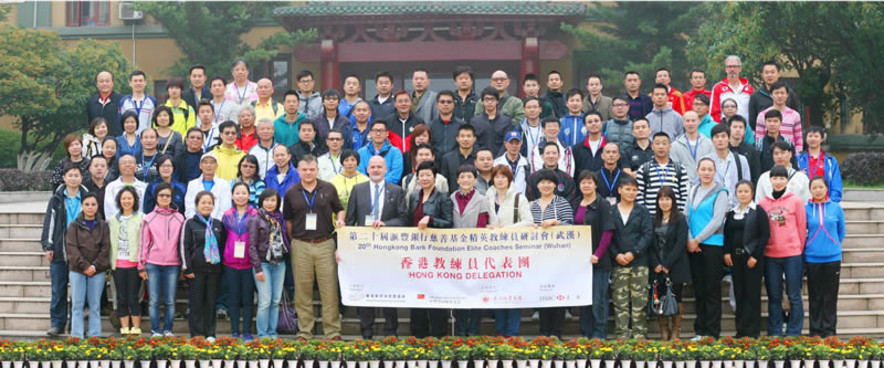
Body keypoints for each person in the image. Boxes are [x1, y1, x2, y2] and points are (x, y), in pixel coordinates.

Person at [345, 156, 410, 339]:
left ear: (385, 169)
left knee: (389, 291)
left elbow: (404, 219)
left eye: (379, 167)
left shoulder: (396, 191)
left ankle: (390, 332)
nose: (375, 170)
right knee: (366, 291)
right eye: (372, 166)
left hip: (388, 252)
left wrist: (386, 224)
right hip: (364, 252)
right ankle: (366, 333)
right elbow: (350, 221)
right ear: (367, 169)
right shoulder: (358, 190)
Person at [283, 154, 346, 340]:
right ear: (298, 171)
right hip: (301, 245)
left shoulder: (328, 188)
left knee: (329, 291)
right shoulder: (291, 192)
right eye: (304, 169)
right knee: (302, 292)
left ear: (317, 170)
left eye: (312, 169)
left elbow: (339, 209)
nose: (308, 173)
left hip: (325, 243)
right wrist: (295, 238)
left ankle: (333, 332)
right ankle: (305, 331)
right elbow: (288, 220)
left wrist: (341, 220)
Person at [758, 166, 807, 337]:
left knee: (794, 295)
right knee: (774, 296)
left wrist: (797, 249)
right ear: (769, 180)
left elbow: (802, 227)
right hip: (771, 255)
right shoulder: (763, 204)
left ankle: (794, 332)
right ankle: (775, 331)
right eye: (775, 178)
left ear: (787, 180)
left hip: (792, 255)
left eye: (781, 178)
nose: (778, 182)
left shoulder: (796, 201)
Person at [485, 164, 533, 336]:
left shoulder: (519, 198)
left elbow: (528, 221)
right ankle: (500, 331)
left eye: (503, 177)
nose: (500, 180)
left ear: (509, 179)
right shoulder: (487, 197)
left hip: (513, 252)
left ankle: (512, 332)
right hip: (493, 252)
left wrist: (505, 230)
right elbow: (483, 220)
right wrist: (488, 227)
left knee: (513, 293)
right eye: (496, 177)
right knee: (497, 292)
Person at [407, 161, 453, 338]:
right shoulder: (413, 196)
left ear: (435, 177)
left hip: (436, 254)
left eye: (428, 175)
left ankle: (438, 336)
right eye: (421, 175)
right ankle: (419, 337)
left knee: (435, 296)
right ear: (417, 178)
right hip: (416, 253)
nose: (424, 178)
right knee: (417, 296)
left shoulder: (443, 197)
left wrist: (431, 219)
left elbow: (449, 223)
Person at [451, 164, 497, 336]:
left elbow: (482, 223)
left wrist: (473, 247)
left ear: (475, 180)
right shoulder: (452, 197)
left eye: (469, 177)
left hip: (476, 252)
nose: (465, 180)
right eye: (462, 177)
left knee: (476, 291)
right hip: (455, 253)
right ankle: (461, 329)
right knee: (460, 291)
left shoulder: (482, 199)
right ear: (457, 180)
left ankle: (474, 330)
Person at [41, 165, 87, 336]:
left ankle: (76, 325)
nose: (73, 178)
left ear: (81, 178)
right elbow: (49, 223)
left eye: (76, 175)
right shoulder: (57, 199)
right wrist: (48, 245)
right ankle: (57, 323)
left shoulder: (87, 197)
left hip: (81, 252)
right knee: (58, 290)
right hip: (60, 250)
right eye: (70, 175)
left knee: (79, 292)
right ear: (64, 178)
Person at [685, 158, 729, 339]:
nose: (706, 172)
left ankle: (712, 332)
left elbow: (717, 220)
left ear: (714, 171)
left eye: (710, 169)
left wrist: (698, 239)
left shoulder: (721, 191)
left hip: (712, 245)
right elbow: (687, 216)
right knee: (699, 289)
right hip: (693, 246)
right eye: (703, 169)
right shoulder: (693, 190)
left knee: (711, 290)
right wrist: (690, 239)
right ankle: (700, 330)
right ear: (697, 171)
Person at [528, 168, 574, 338]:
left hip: (558, 258)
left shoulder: (562, 203)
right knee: (542, 294)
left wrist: (557, 222)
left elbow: (571, 227)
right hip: (537, 259)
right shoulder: (531, 205)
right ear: (537, 185)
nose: (546, 185)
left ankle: (557, 332)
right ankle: (543, 332)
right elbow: (524, 226)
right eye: (542, 182)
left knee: (557, 294)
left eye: (549, 182)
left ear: (555, 185)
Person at [724, 180, 770, 338]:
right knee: (739, 293)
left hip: (752, 260)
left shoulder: (758, 211)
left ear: (752, 193)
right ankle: (740, 330)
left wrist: (755, 256)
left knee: (752, 294)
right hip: (735, 259)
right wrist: (727, 253)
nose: (743, 194)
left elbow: (765, 235)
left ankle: (752, 332)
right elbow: (728, 235)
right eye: (740, 191)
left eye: (746, 191)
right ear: (736, 194)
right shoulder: (732, 213)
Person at [138, 182, 185, 337]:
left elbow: (182, 243)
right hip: (153, 263)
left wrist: (183, 265)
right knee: (154, 300)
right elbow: (143, 243)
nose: (164, 198)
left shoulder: (179, 218)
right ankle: (155, 330)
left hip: (173, 264)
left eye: (168, 195)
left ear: (172, 198)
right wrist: (141, 265)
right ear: (156, 197)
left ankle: (168, 329)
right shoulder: (149, 218)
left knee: (171, 300)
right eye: (161, 195)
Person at [572, 171, 615, 339]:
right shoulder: (576, 203)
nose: (586, 185)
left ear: (596, 185)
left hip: (599, 261)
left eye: (590, 182)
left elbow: (607, 232)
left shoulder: (603, 204)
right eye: (583, 182)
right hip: (580, 262)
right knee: (584, 300)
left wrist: (597, 254)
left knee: (599, 300)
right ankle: (586, 333)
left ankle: (599, 334)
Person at [609, 175, 653, 339]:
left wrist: (633, 253)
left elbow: (647, 235)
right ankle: (622, 334)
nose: (631, 192)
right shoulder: (611, 211)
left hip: (639, 262)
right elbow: (608, 236)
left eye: (634, 190)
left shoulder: (642, 211)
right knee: (620, 301)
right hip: (618, 262)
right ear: (619, 190)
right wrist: (617, 254)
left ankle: (639, 334)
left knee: (639, 301)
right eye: (627, 189)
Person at [181, 190, 227, 340]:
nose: (206, 205)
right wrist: (187, 268)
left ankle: (210, 333)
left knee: (211, 303)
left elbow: (222, 246)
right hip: (196, 271)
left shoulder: (218, 224)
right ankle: (197, 334)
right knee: (196, 304)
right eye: (203, 202)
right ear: (196, 205)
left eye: (209, 203)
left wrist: (221, 268)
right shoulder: (190, 223)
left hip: (214, 271)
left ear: (213, 206)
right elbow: (184, 246)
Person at [804, 176, 846, 338]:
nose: (818, 190)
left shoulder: (836, 208)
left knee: (830, 296)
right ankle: (815, 331)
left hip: (832, 258)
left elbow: (841, 231)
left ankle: (829, 331)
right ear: (810, 190)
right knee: (815, 296)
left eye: (821, 187)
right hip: (812, 258)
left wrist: (833, 245)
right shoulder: (806, 209)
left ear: (826, 188)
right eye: (814, 188)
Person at [66, 193, 110, 339]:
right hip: (77, 270)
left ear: (97, 207)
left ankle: (94, 337)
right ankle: (77, 337)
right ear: (82, 206)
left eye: (93, 204)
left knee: (95, 305)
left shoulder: (103, 225)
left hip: (97, 271)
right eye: (87, 204)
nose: (90, 207)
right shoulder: (74, 225)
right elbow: (71, 248)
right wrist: (85, 266)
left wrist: (95, 266)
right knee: (77, 305)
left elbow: (105, 248)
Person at [648, 186, 689, 340]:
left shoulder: (680, 218)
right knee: (659, 297)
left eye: (667, 199)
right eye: (661, 199)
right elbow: (650, 244)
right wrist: (656, 264)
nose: (664, 202)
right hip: (657, 267)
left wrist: (667, 264)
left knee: (676, 297)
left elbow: (680, 243)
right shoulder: (653, 220)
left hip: (675, 266)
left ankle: (675, 331)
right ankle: (664, 330)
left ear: (673, 201)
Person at [248, 188, 289, 339]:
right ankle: (263, 334)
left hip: (279, 263)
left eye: (273, 200)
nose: (270, 203)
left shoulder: (280, 218)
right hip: (263, 264)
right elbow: (251, 246)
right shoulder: (256, 219)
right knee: (265, 301)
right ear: (261, 201)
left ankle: (273, 332)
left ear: (278, 202)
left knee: (275, 300)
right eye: (267, 200)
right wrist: (257, 268)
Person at [222, 183, 258, 341]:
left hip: (249, 263)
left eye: (244, 193)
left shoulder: (255, 214)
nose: (241, 196)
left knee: (248, 299)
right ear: (232, 196)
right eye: (237, 193)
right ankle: (235, 331)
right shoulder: (227, 215)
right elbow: (222, 238)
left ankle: (247, 332)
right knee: (234, 298)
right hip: (230, 263)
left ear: (249, 196)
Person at [109, 187, 144, 336]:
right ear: (119, 201)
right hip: (118, 265)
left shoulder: (142, 217)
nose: (127, 201)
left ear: (135, 200)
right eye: (124, 198)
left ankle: (136, 328)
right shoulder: (113, 220)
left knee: (133, 297)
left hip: (135, 264)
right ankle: (124, 328)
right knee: (121, 298)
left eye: (130, 198)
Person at [636, 132, 690, 214]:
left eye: (664, 143)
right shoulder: (644, 169)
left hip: (674, 218)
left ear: (670, 146)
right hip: (651, 218)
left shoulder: (680, 168)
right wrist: (645, 217)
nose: (661, 146)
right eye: (657, 143)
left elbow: (685, 195)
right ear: (652, 146)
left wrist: (680, 215)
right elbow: (639, 195)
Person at [703, 124, 752, 208]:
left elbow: (747, 185)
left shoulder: (741, 160)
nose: (720, 140)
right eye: (717, 137)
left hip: (736, 208)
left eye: (723, 136)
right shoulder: (705, 161)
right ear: (712, 140)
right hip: (712, 208)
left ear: (729, 138)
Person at [749, 61, 800, 130]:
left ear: (779, 74)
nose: (769, 75)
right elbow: (753, 121)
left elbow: (795, 114)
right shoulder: (756, 95)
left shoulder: (788, 93)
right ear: (762, 75)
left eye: (772, 72)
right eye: (766, 73)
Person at [798, 126, 843, 202]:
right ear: (806, 138)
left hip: (826, 201)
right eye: (810, 136)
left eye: (816, 136)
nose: (813, 139)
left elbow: (836, 184)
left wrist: (831, 202)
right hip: (805, 203)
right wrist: (797, 174)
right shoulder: (798, 159)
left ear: (822, 139)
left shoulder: (830, 160)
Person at [755, 81, 803, 152]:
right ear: (771, 95)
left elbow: (798, 139)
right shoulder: (762, 115)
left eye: (782, 93)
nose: (779, 96)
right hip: (768, 154)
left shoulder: (795, 115)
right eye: (776, 93)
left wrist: (797, 156)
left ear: (787, 95)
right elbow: (759, 139)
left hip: (788, 154)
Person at [670, 111, 714, 185]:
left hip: (704, 185)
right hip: (683, 186)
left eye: (693, 120)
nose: (690, 124)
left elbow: (712, 165)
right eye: (687, 121)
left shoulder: (708, 143)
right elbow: (675, 169)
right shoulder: (675, 146)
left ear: (699, 122)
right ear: (683, 123)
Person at [185, 153, 232, 219]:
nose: (209, 165)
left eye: (212, 163)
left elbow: (225, 209)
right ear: (200, 166)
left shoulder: (224, 184)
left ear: (216, 166)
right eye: (205, 162)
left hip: (217, 225)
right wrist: (197, 222)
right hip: (195, 225)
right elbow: (189, 209)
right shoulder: (192, 184)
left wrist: (214, 223)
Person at [711, 55, 754, 123]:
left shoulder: (749, 88)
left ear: (740, 68)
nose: (732, 69)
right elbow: (714, 113)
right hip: (725, 130)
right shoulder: (718, 87)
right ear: (726, 69)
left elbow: (753, 111)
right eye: (729, 66)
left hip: (745, 129)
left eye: (735, 66)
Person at [104, 155, 148, 220]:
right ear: (119, 167)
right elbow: (110, 209)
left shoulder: (144, 187)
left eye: (130, 163)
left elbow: (144, 208)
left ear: (135, 166)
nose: (127, 165)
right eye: (124, 163)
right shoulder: (111, 187)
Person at [471, 86, 514, 151]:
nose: (489, 102)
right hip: (481, 158)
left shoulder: (506, 121)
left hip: (501, 159)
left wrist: (498, 159)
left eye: (492, 99)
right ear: (482, 101)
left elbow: (507, 143)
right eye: (487, 99)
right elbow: (474, 143)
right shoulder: (475, 121)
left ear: (497, 101)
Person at [440, 124, 478, 192]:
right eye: (462, 136)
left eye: (469, 136)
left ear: (474, 139)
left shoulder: (479, 157)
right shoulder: (447, 159)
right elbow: (445, 182)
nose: (465, 139)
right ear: (457, 138)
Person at [572, 111, 611, 176]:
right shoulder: (577, 148)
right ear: (585, 125)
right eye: (590, 122)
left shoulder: (610, 146)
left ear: (601, 123)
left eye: (596, 121)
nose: (593, 124)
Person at [429, 90, 466, 159]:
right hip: (436, 164)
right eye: (442, 102)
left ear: (453, 104)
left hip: (456, 163)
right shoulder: (430, 126)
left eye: (449, 102)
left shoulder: (462, 125)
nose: (445, 104)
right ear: (437, 105)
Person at [87, 71, 123, 136]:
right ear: (97, 84)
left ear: (113, 83)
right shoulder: (91, 102)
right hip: (97, 141)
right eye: (101, 81)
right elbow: (90, 123)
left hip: (116, 141)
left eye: (107, 81)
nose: (104, 84)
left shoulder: (121, 101)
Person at [728, 115, 762, 183]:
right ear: (729, 129)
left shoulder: (751, 150)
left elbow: (756, 174)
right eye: (735, 127)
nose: (738, 130)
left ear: (744, 130)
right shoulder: (724, 148)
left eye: (741, 127)